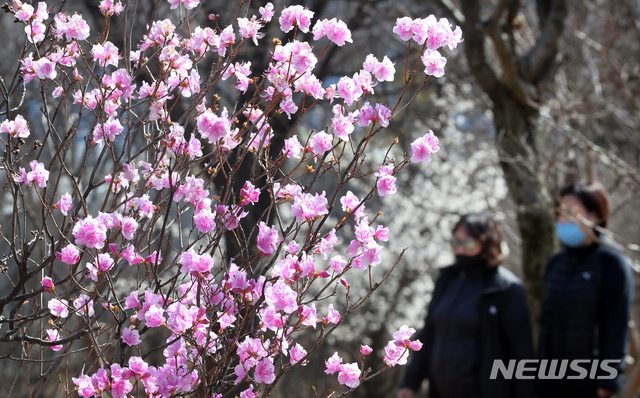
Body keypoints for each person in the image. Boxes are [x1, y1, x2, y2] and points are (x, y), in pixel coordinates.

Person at [397, 212, 534, 398]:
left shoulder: (506, 289)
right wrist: (410, 383)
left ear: (487, 243)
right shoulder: (447, 280)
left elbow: (522, 356)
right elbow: (429, 333)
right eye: (456, 242)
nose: (460, 249)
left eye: (468, 243)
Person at [536, 182, 634, 398]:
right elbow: (546, 328)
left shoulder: (612, 263)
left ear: (595, 216)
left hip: (592, 385)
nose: (563, 219)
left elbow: (617, 327)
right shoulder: (556, 264)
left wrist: (608, 383)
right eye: (561, 212)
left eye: (572, 213)